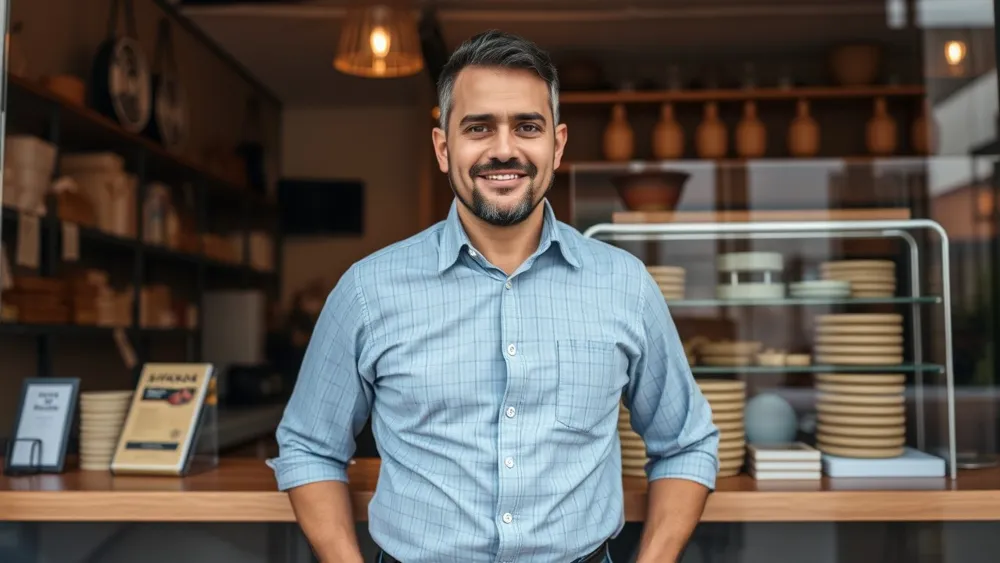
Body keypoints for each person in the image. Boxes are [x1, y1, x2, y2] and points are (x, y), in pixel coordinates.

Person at [268, 29, 720, 563]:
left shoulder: (626, 286)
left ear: (557, 144)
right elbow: (310, 447)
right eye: (478, 127)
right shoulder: (367, 290)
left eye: (527, 126)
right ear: (443, 147)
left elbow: (686, 443)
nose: (503, 149)